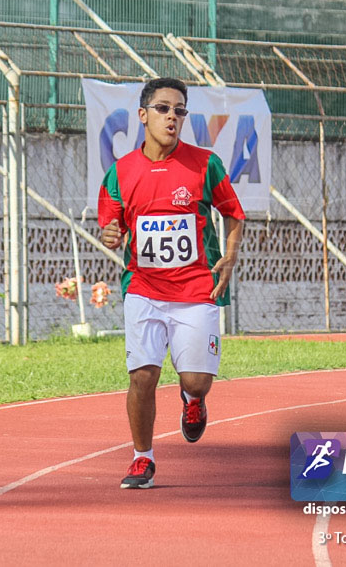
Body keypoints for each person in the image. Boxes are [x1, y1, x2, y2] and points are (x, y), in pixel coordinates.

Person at [98, 77, 245, 489]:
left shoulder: (204, 163)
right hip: (143, 288)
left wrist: (229, 257)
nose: (172, 117)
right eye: (163, 109)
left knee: (195, 380)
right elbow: (111, 226)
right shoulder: (120, 173)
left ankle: (193, 400)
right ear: (143, 115)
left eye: (180, 110)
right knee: (142, 375)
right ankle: (142, 459)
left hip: (197, 287)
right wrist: (110, 235)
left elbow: (233, 212)